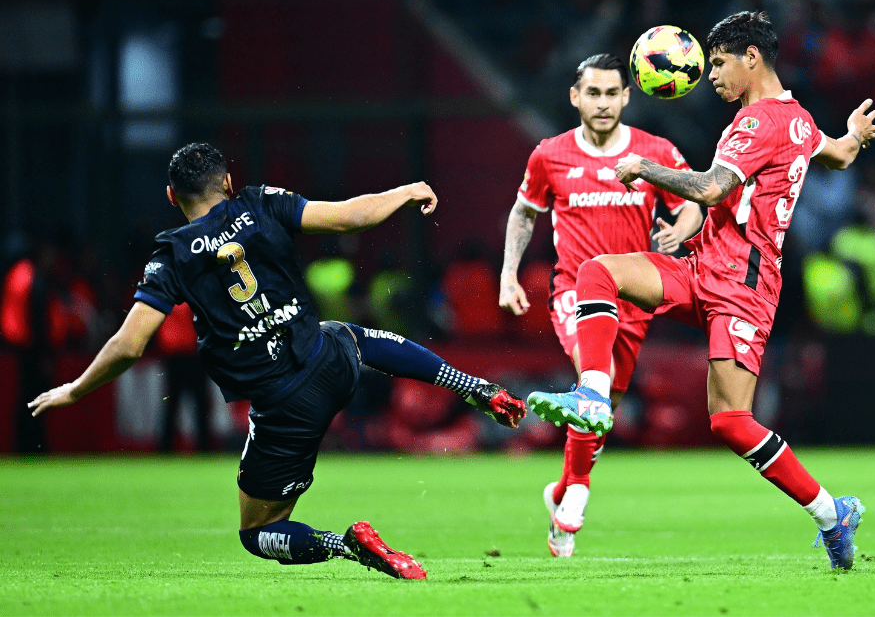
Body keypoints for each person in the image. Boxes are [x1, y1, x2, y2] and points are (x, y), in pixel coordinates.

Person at [27, 143, 527, 580]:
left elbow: (128, 345)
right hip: (328, 361)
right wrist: (405, 191)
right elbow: (350, 216)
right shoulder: (261, 202)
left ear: (172, 196)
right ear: (228, 181)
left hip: (282, 406)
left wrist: (75, 389)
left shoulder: (171, 256)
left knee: (257, 531)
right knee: (351, 336)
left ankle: (345, 545)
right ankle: (476, 387)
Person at [525, 12, 875, 570]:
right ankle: (592, 394)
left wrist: (645, 168)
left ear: (751, 58)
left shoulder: (758, 123)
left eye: (718, 63)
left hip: (744, 287)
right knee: (598, 272)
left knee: (730, 421)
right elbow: (837, 154)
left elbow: (713, 188)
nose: (709, 75)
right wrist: (855, 134)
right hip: (701, 267)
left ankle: (831, 514)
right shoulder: (798, 119)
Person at [499, 53, 704, 558]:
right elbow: (524, 212)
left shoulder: (654, 151)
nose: (604, 103)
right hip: (574, 292)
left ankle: (562, 491)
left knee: (601, 405)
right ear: (575, 97)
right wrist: (507, 274)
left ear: (627, 96)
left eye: (613, 93)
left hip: (633, 300)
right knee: (598, 380)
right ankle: (579, 495)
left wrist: (680, 230)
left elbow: (693, 203)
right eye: (593, 93)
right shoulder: (549, 155)